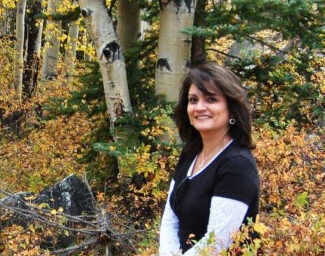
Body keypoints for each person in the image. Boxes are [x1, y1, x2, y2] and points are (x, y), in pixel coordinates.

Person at [159, 62, 260, 255]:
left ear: (231, 108)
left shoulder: (237, 166)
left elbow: (217, 243)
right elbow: (170, 218)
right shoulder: (190, 153)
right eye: (193, 100)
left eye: (211, 99)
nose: (199, 107)